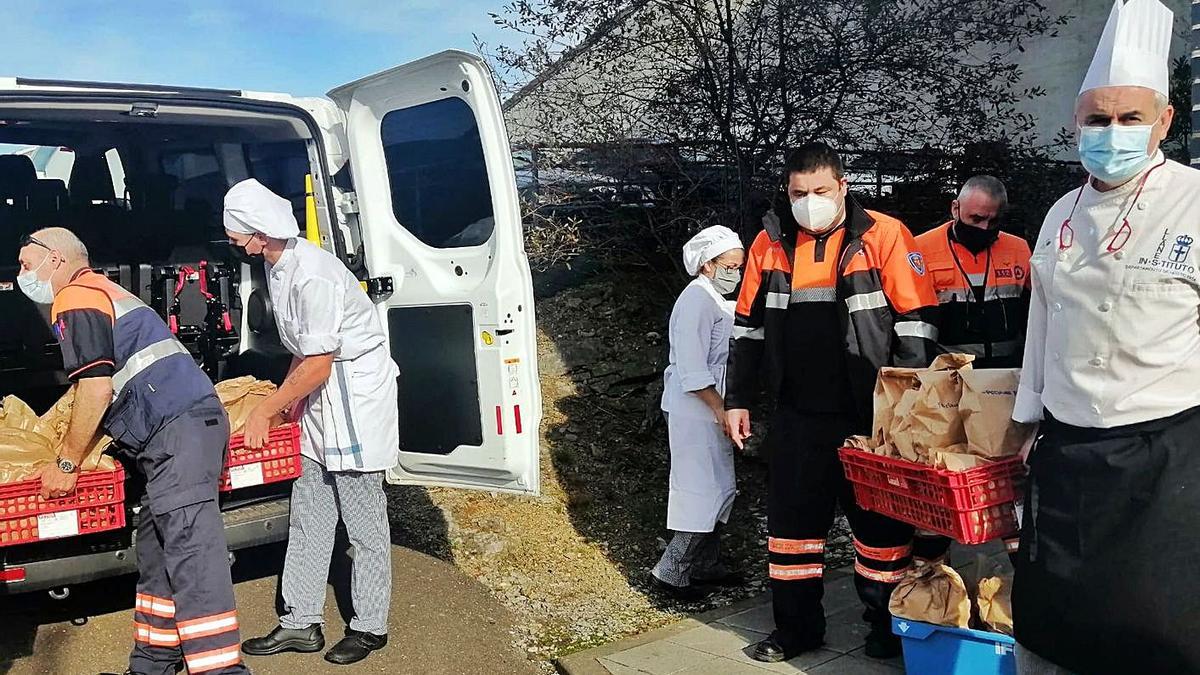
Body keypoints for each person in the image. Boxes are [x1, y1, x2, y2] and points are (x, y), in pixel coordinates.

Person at [1012, 0, 1200, 672]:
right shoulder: (1061, 213)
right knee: (1048, 632)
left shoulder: (1194, 203)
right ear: (1076, 121)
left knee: (1154, 639)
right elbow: (1044, 321)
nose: (1111, 131)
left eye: (1130, 118)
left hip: (1164, 457)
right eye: (1098, 118)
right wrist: (1026, 420)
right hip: (1065, 455)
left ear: (1164, 121)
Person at [725, 143, 940, 663]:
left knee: (882, 532)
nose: (809, 201)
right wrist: (737, 399)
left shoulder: (885, 236)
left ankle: (890, 628)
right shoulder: (769, 244)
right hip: (797, 414)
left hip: (870, 415)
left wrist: (905, 408)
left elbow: (918, 324)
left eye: (820, 191)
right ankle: (797, 630)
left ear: (843, 187)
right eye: (799, 193)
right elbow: (748, 330)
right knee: (792, 533)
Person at [18, 228, 247, 675]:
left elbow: (95, 387)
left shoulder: (75, 296)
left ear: (57, 261)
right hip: (180, 431)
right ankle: (153, 664)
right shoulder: (104, 290)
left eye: (27, 265)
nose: (21, 274)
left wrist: (67, 461)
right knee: (158, 550)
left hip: (177, 433)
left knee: (191, 555)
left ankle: (222, 670)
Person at [227, 180, 400, 667]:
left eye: (238, 237)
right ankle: (300, 621)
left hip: (355, 400)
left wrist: (265, 409)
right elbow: (303, 352)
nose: (235, 245)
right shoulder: (276, 266)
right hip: (319, 400)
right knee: (309, 515)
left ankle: (369, 626)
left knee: (363, 523)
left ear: (260, 233)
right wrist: (283, 403)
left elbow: (321, 362)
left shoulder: (314, 275)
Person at [912, 176, 1030, 563]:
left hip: (1005, 384)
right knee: (941, 481)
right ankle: (932, 578)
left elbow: (1033, 319)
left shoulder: (1019, 250)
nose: (984, 229)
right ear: (955, 209)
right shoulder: (922, 251)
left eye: (992, 221)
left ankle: (1023, 580)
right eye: (976, 218)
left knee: (1010, 483)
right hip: (948, 385)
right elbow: (915, 325)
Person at [651, 225, 745, 602]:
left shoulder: (713, 299)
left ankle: (706, 563)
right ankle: (670, 571)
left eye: (739, 266)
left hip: (710, 407)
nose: (735, 273)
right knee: (701, 491)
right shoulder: (695, 300)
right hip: (695, 410)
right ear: (708, 265)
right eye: (730, 266)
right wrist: (721, 409)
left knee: (722, 487)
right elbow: (693, 368)